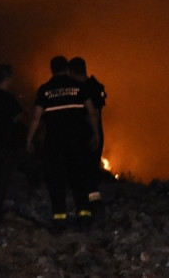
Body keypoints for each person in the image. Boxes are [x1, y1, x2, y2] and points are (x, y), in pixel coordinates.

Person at [26, 55, 100, 231]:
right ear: (67, 69)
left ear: (52, 69)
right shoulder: (79, 87)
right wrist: (96, 134)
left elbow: (36, 117)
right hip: (77, 142)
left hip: (55, 144)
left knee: (56, 180)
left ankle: (59, 219)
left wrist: (29, 139)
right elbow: (91, 112)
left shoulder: (44, 90)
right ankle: (84, 217)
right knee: (79, 178)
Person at [0, 63, 26, 224]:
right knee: (2, 179)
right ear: (8, 78)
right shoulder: (8, 98)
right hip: (5, 145)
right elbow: (20, 117)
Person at [68, 57, 107, 217]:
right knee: (90, 173)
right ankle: (93, 208)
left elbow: (94, 112)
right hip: (93, 135)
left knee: (83, 173)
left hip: (86, 136)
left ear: (71, 71)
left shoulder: (80, 88)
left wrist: (93, 133)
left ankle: (87, 210)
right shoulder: (96, 86)